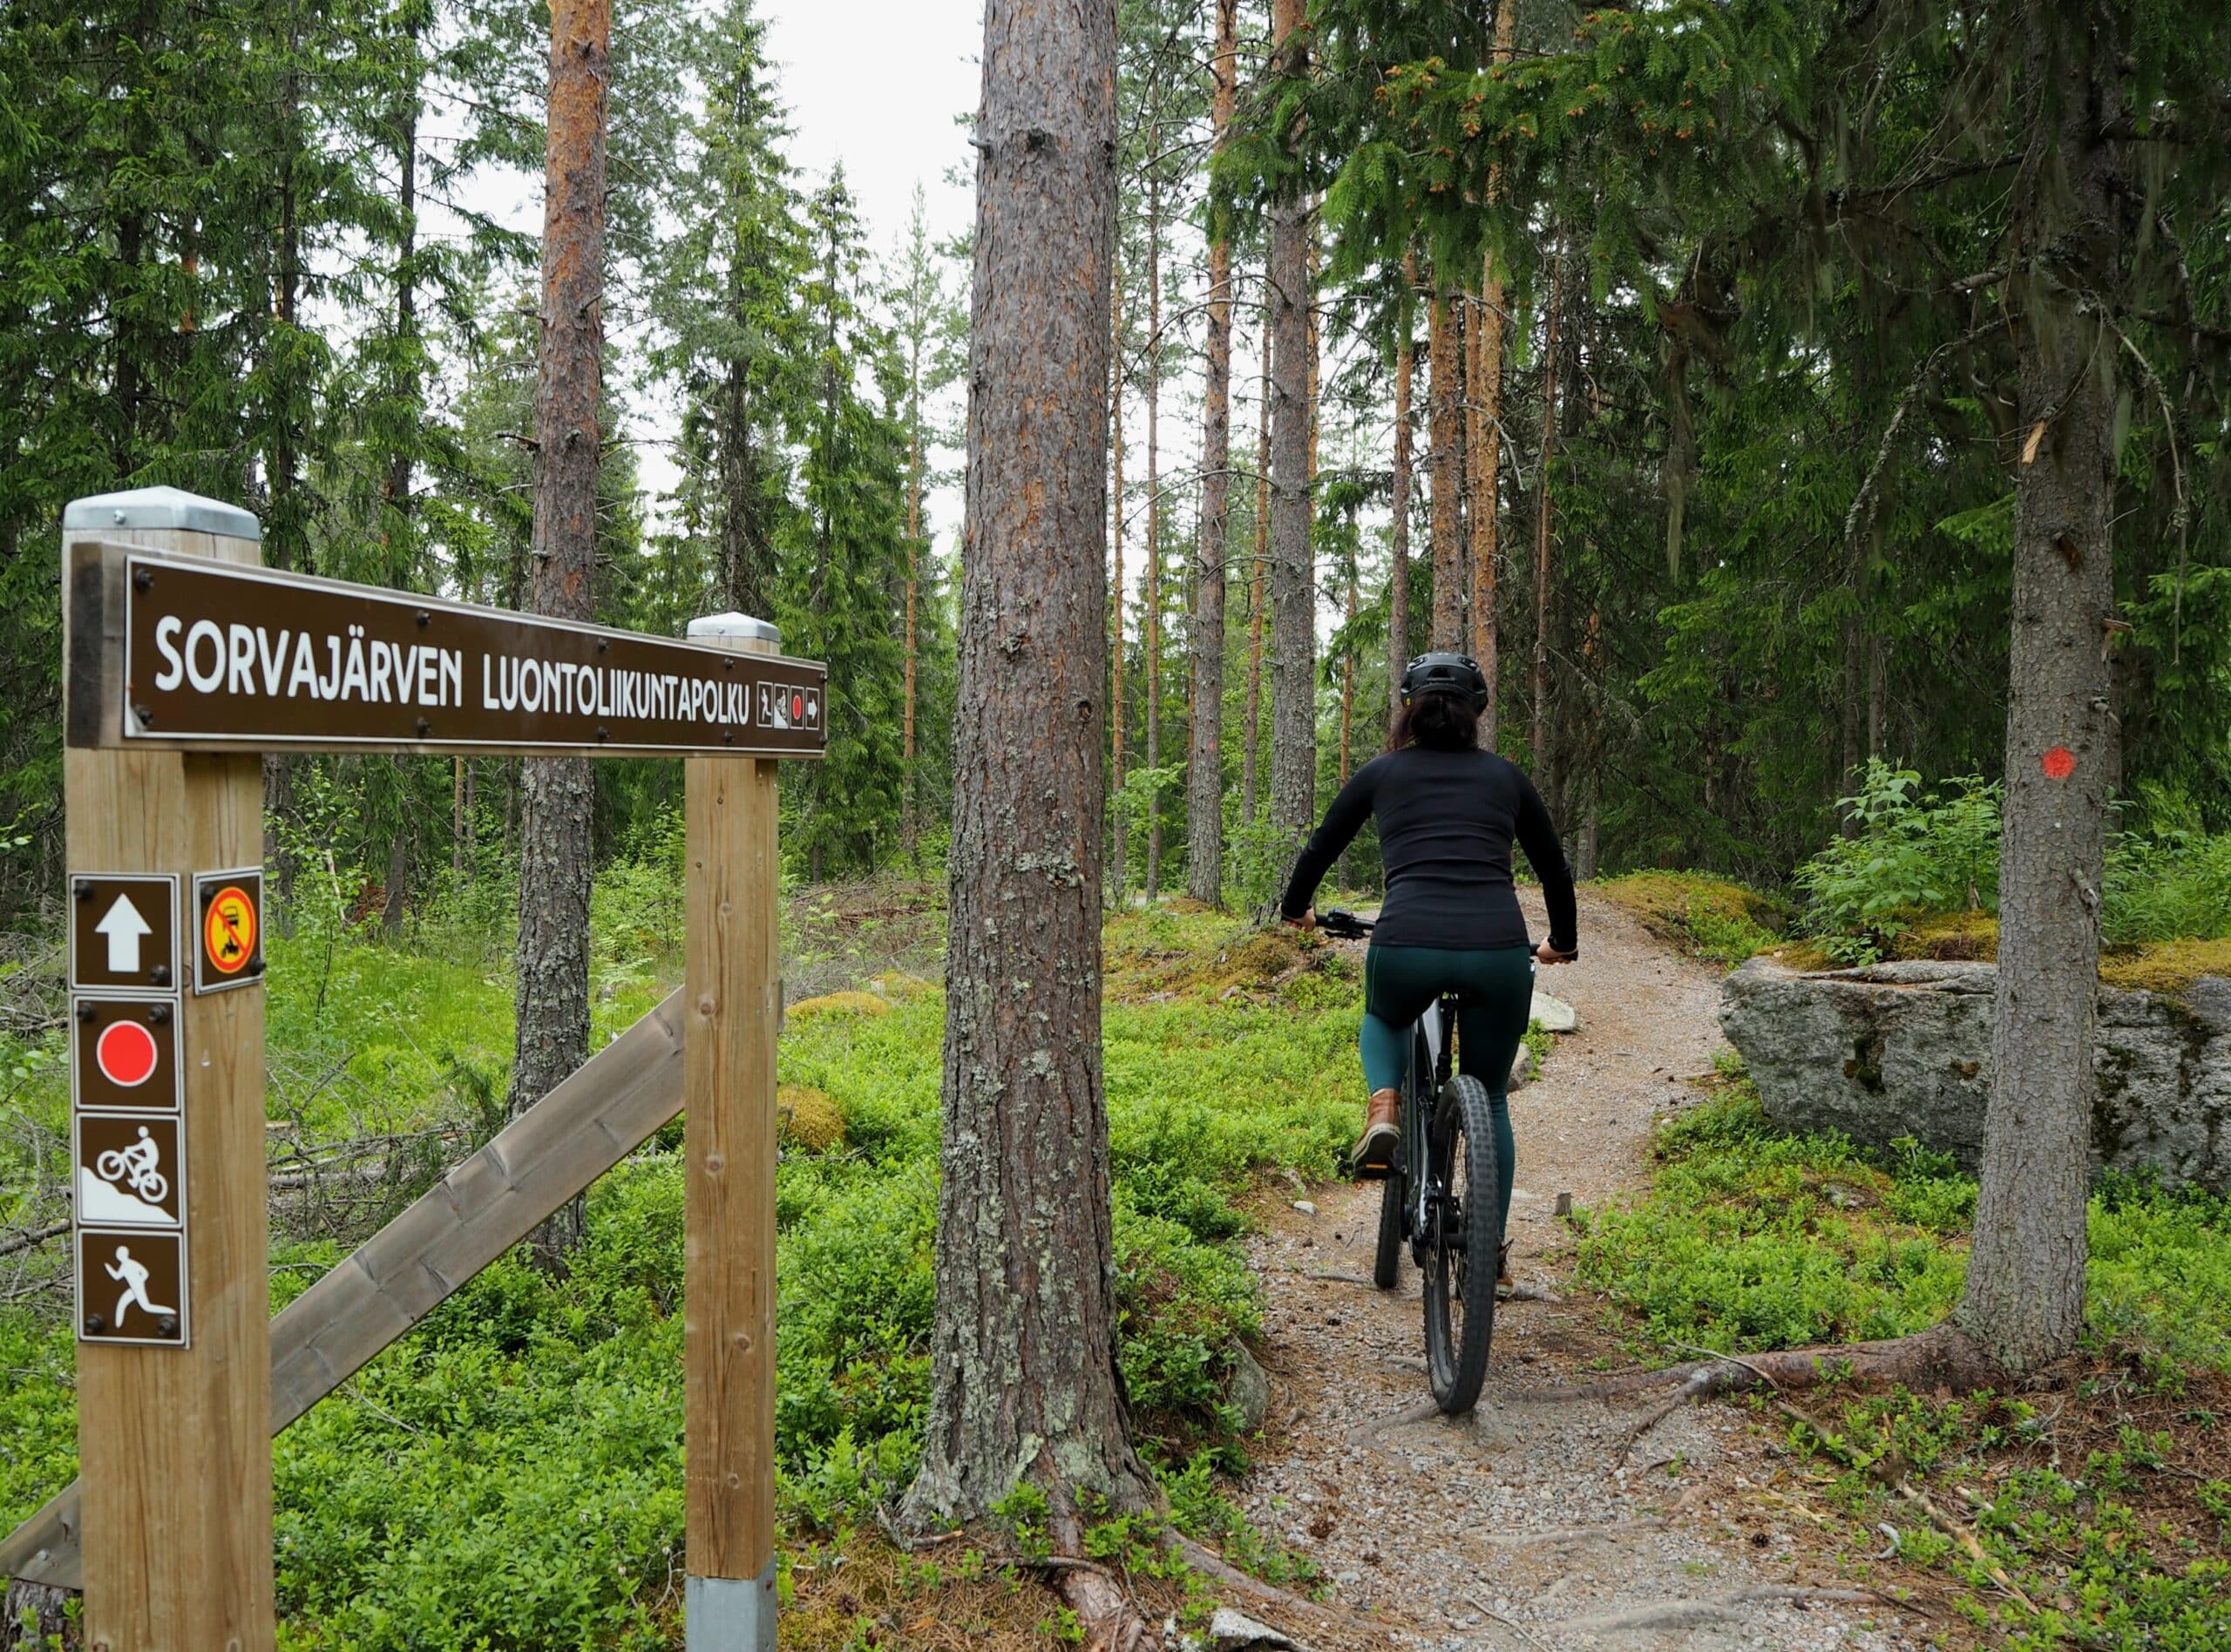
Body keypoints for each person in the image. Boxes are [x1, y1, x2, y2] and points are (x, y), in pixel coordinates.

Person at [1279, 652, 1577, 1271]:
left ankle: (1384, 1103)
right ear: (1476, 714)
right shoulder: (1506, 779)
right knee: (1491, 1097)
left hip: (1407, 944)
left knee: (1385, 1016)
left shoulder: (1381, 773)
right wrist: (1561, 942)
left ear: (1408, 711)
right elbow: (1554, 866)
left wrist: (1297, 909)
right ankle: (1490, 1249)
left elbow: (1320, 846)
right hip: (1497, 951)